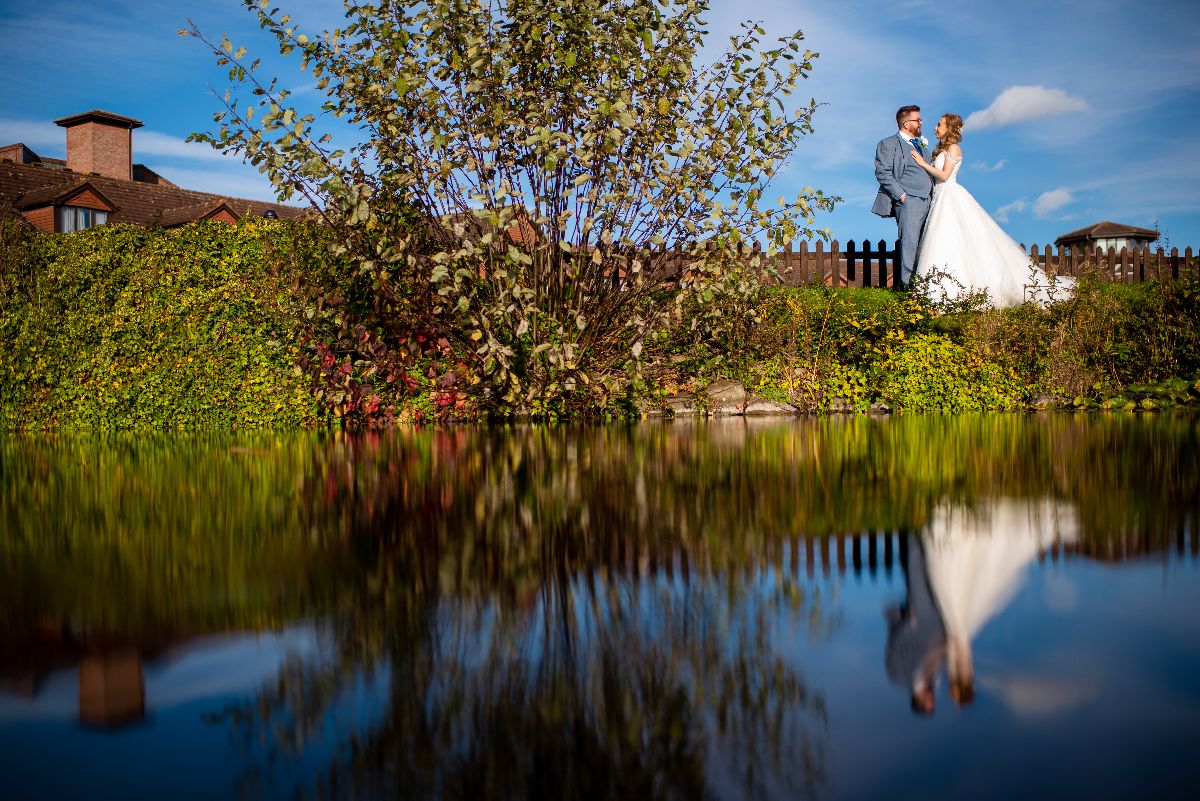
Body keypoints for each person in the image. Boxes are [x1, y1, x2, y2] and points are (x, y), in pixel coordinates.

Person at [910, 113, 1074, 307]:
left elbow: (945, 176)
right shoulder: (940, 150)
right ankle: (939, 291)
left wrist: (921, 163)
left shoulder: (954, 148)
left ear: (949, 129)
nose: (935, 128)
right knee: (945, 240)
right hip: (939, 197)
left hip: (949, 195)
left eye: (939, 125)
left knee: (948, 238)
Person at [885, 533, 946, 716]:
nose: (933, 699)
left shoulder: (897, 674)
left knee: (916, 569)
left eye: (929, 702)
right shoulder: (935, 677)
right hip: (940, 618)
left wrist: (908, 624)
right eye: (933, 702)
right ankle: (932, 533)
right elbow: (941, 650)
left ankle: (913, 530)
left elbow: (894, 646)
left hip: (918, 617)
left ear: (918, 700)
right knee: (937, 569)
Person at [873, 105, 935, 286]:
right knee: (909, 244)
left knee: (926, 244)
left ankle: (924, 285)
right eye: (918, 119)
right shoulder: (888, 143)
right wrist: (902, 196)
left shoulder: (921, 145)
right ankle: (908, 288)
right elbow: (882, 173)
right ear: (906, 123)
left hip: (929, 200)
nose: (921, 122)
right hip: (909, 200)